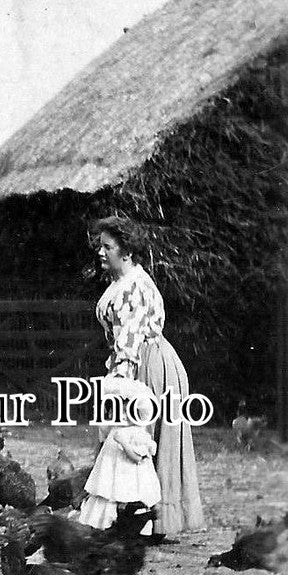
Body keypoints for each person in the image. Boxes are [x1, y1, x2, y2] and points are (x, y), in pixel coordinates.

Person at [92, 215, 204, 539]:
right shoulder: (119, 282)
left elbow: (127, 342)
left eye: (107, 247)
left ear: (126, 251)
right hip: (137, 360)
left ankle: (152, 521)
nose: (100, 252)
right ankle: (130, 517)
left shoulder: (134, 289)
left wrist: (116, 386)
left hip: (150, 365)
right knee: (129, 439)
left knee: (139, 438)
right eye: (100, 246)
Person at [79, 377, 160, 534]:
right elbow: (104, 435)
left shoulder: (137, 433)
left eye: (126, 411)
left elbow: (137, 458)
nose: (122, 415)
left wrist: (124, 443)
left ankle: (130, 525)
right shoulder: (114, 430)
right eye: (119, 410)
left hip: (129, 475)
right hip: (111, 469)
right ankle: (104, 525)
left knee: (126, 495)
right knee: (106, 493)